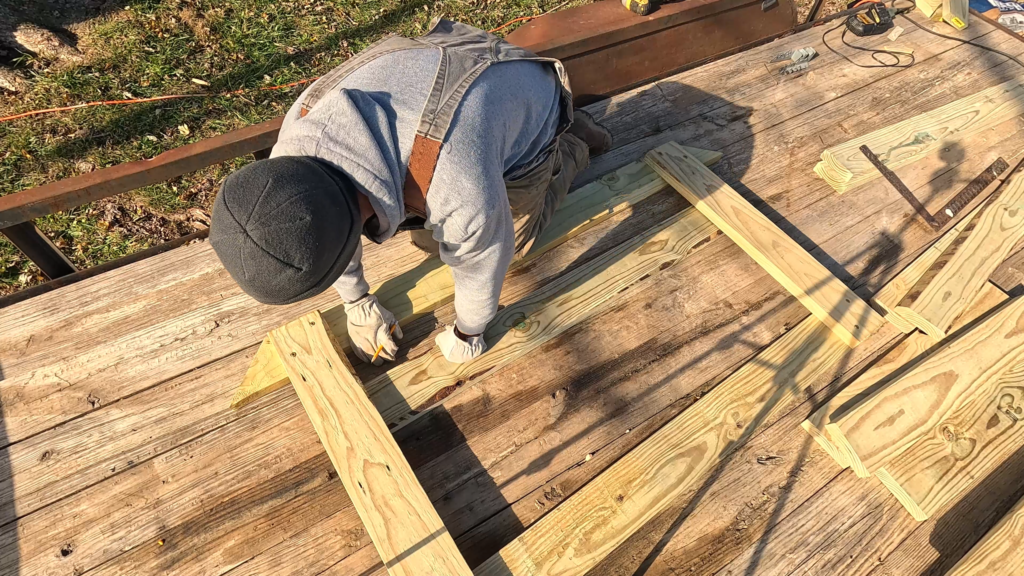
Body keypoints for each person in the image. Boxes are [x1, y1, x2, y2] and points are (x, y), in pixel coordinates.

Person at [209, 19, 612, 367]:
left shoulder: (457, 185)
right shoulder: (291, 148)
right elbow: (317, 219)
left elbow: (483, 262)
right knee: (437, 231)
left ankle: (573, 142)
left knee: (508, 241)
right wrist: (356, 301)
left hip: (525, 88)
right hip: (446, 70)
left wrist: (469, 333)